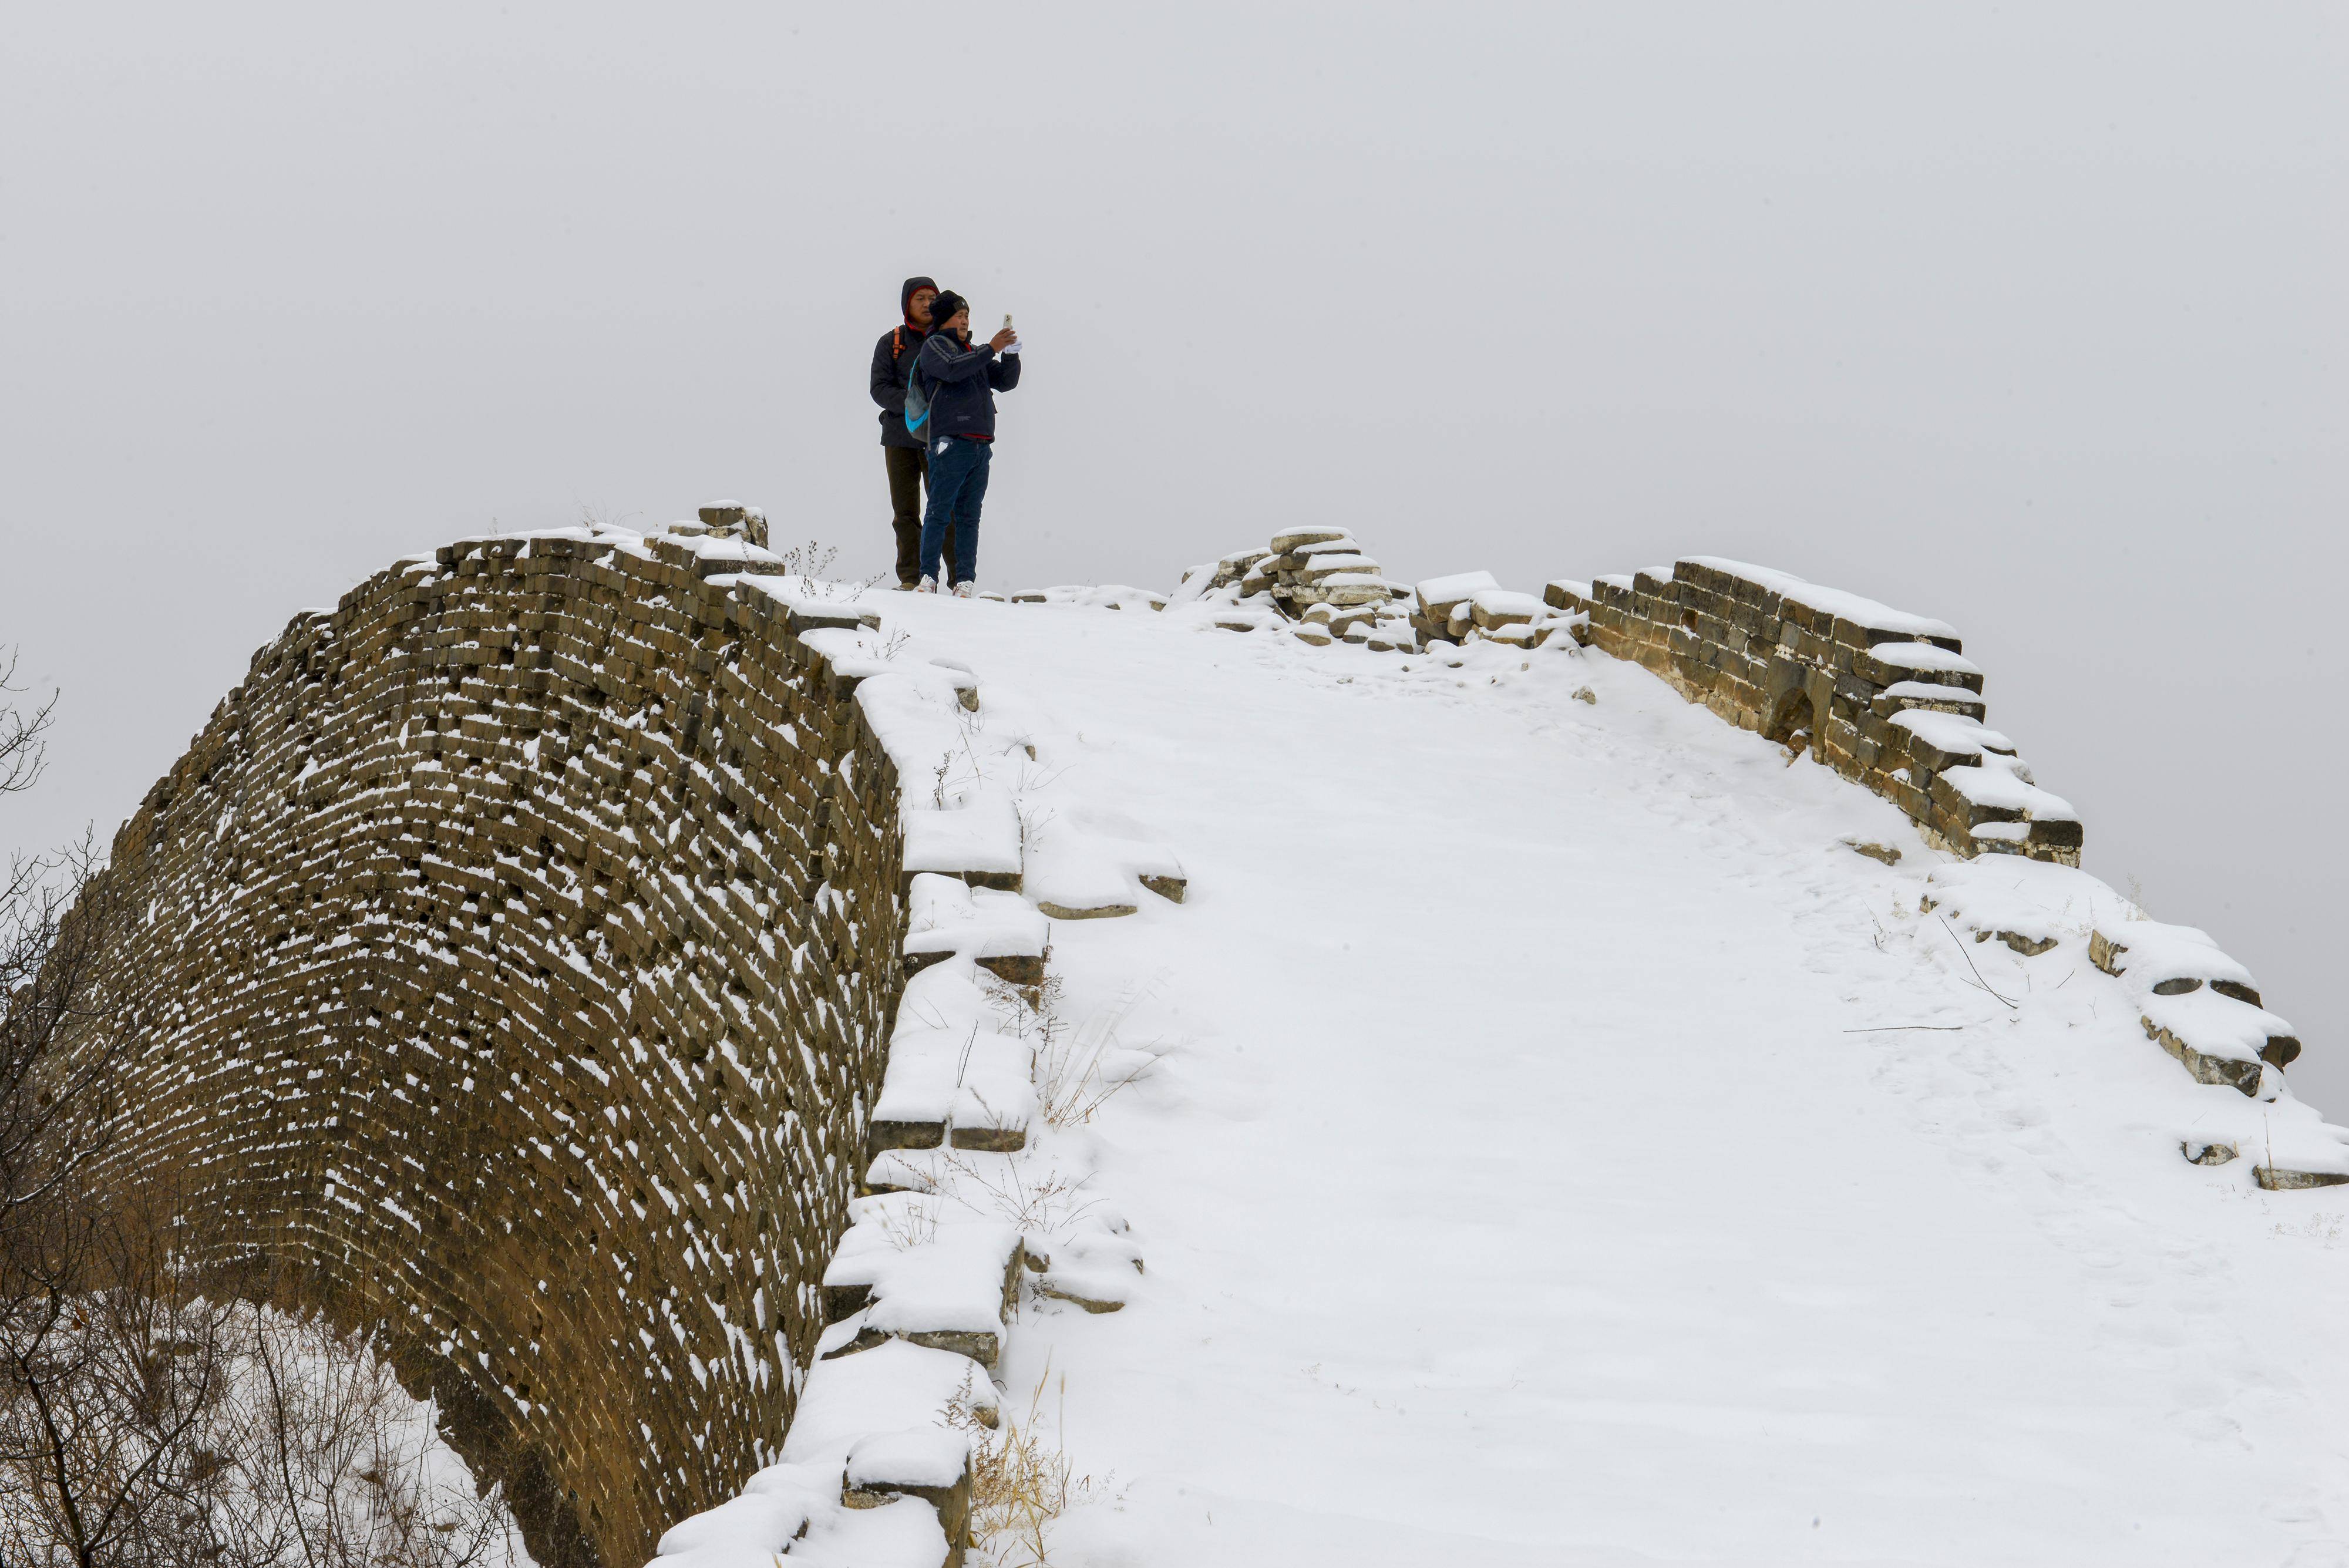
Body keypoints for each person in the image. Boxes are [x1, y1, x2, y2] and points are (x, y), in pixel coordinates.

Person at [911, 290, 1020, 596]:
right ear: (945, 318)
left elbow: (1005, 382)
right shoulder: (935, 347)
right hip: (950, 442)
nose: (965, 320)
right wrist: (991, 348)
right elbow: (953, 369)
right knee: (940, 511)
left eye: (967, 315)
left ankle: (965, 580)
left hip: (980, 445)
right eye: (959, 315)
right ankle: (928, 577)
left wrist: (1010, 355)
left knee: (970, 514)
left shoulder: (973, 351)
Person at [869, 275, 955, 588]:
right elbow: (878, 388)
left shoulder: (951, 340)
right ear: (907, 303)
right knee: (905, 514)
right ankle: (911, 579)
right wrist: (914, 407)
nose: (927, 303)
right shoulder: (892, 342)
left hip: (941, 439)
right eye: (920, 298)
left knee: (947, 510)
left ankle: (959, 580)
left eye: (932, 297)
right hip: (899, 438)